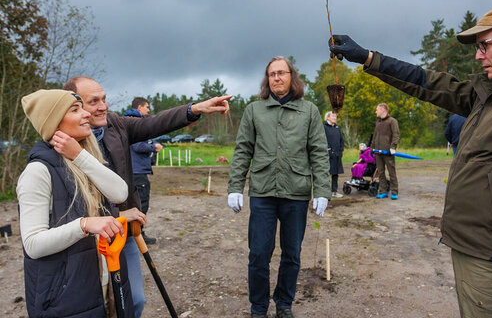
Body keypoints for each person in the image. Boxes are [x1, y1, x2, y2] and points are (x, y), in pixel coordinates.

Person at [329, 4, 492, 317]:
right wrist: (368, 58)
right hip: (477, 251)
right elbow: (430, 83)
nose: (479, 55)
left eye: (486, 44)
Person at [63, 76, 231, 318]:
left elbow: (154, 124)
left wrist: (195, 109)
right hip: (87, 243)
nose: (103, 106)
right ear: (74, 106)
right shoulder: (62, 142)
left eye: (104, 99)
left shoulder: (115, 125)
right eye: (94, 101)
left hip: (125, 233)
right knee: (97, 308)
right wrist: (117, 214)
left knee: (135, 303)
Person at [227, 56, 330, 318]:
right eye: (272, 74)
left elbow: (318, 152)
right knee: (259, 253)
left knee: (292, 253)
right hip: (263, 192)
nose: (276, 78)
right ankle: (258, 307)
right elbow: (243, 151)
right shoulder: (254, 110)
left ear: (291, 76)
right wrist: (235, 186)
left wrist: (322, 191)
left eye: (281, 73)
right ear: (267, 79)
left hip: (296, 192)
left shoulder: (309, 111)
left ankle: (284, 304)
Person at [18, 89, 130, 317]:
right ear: (54, 121)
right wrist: (84, 225)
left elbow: (120, 193)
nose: (86, 114)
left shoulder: (84, 158)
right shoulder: (37, 172)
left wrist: (79, 155)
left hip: (102, 279)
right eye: (75, 110)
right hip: (65, 294)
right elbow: (33, 244)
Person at [123, 97, 164, 245]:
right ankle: (137, 234)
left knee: (134, 203)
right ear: (139, 108)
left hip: (134, 170)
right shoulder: (135, 123)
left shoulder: (128, 121)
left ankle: (133, 233)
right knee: (141, 203)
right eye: (147, 107)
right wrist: (154, 147)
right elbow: (138, 146)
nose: (148, 110)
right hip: (137, 171)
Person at [372, 103, 400, 200]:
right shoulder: (378, 122)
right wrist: (372, 148)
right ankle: (383, 191)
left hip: (388, 152)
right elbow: (374, 136)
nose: (376, 111)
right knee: (380, 172)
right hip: (378, 152)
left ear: (383, 110)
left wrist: (393, 147)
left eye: (377, 109)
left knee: (391, 172)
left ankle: (394, 192)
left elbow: (396, 135)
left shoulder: (392, 121)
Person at [323, 111, 345, 198]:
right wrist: (328, 150)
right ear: (328, 117)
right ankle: (325, 192)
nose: (335, 118)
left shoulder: (337, 128)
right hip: (327, 155)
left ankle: (334, 192)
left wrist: (341, 151)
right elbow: (322, 140)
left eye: (335, 116)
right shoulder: (324, 127)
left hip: (337, 155)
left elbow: (341, 140)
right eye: (333, 116)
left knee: (335, 174)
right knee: (326, 174)